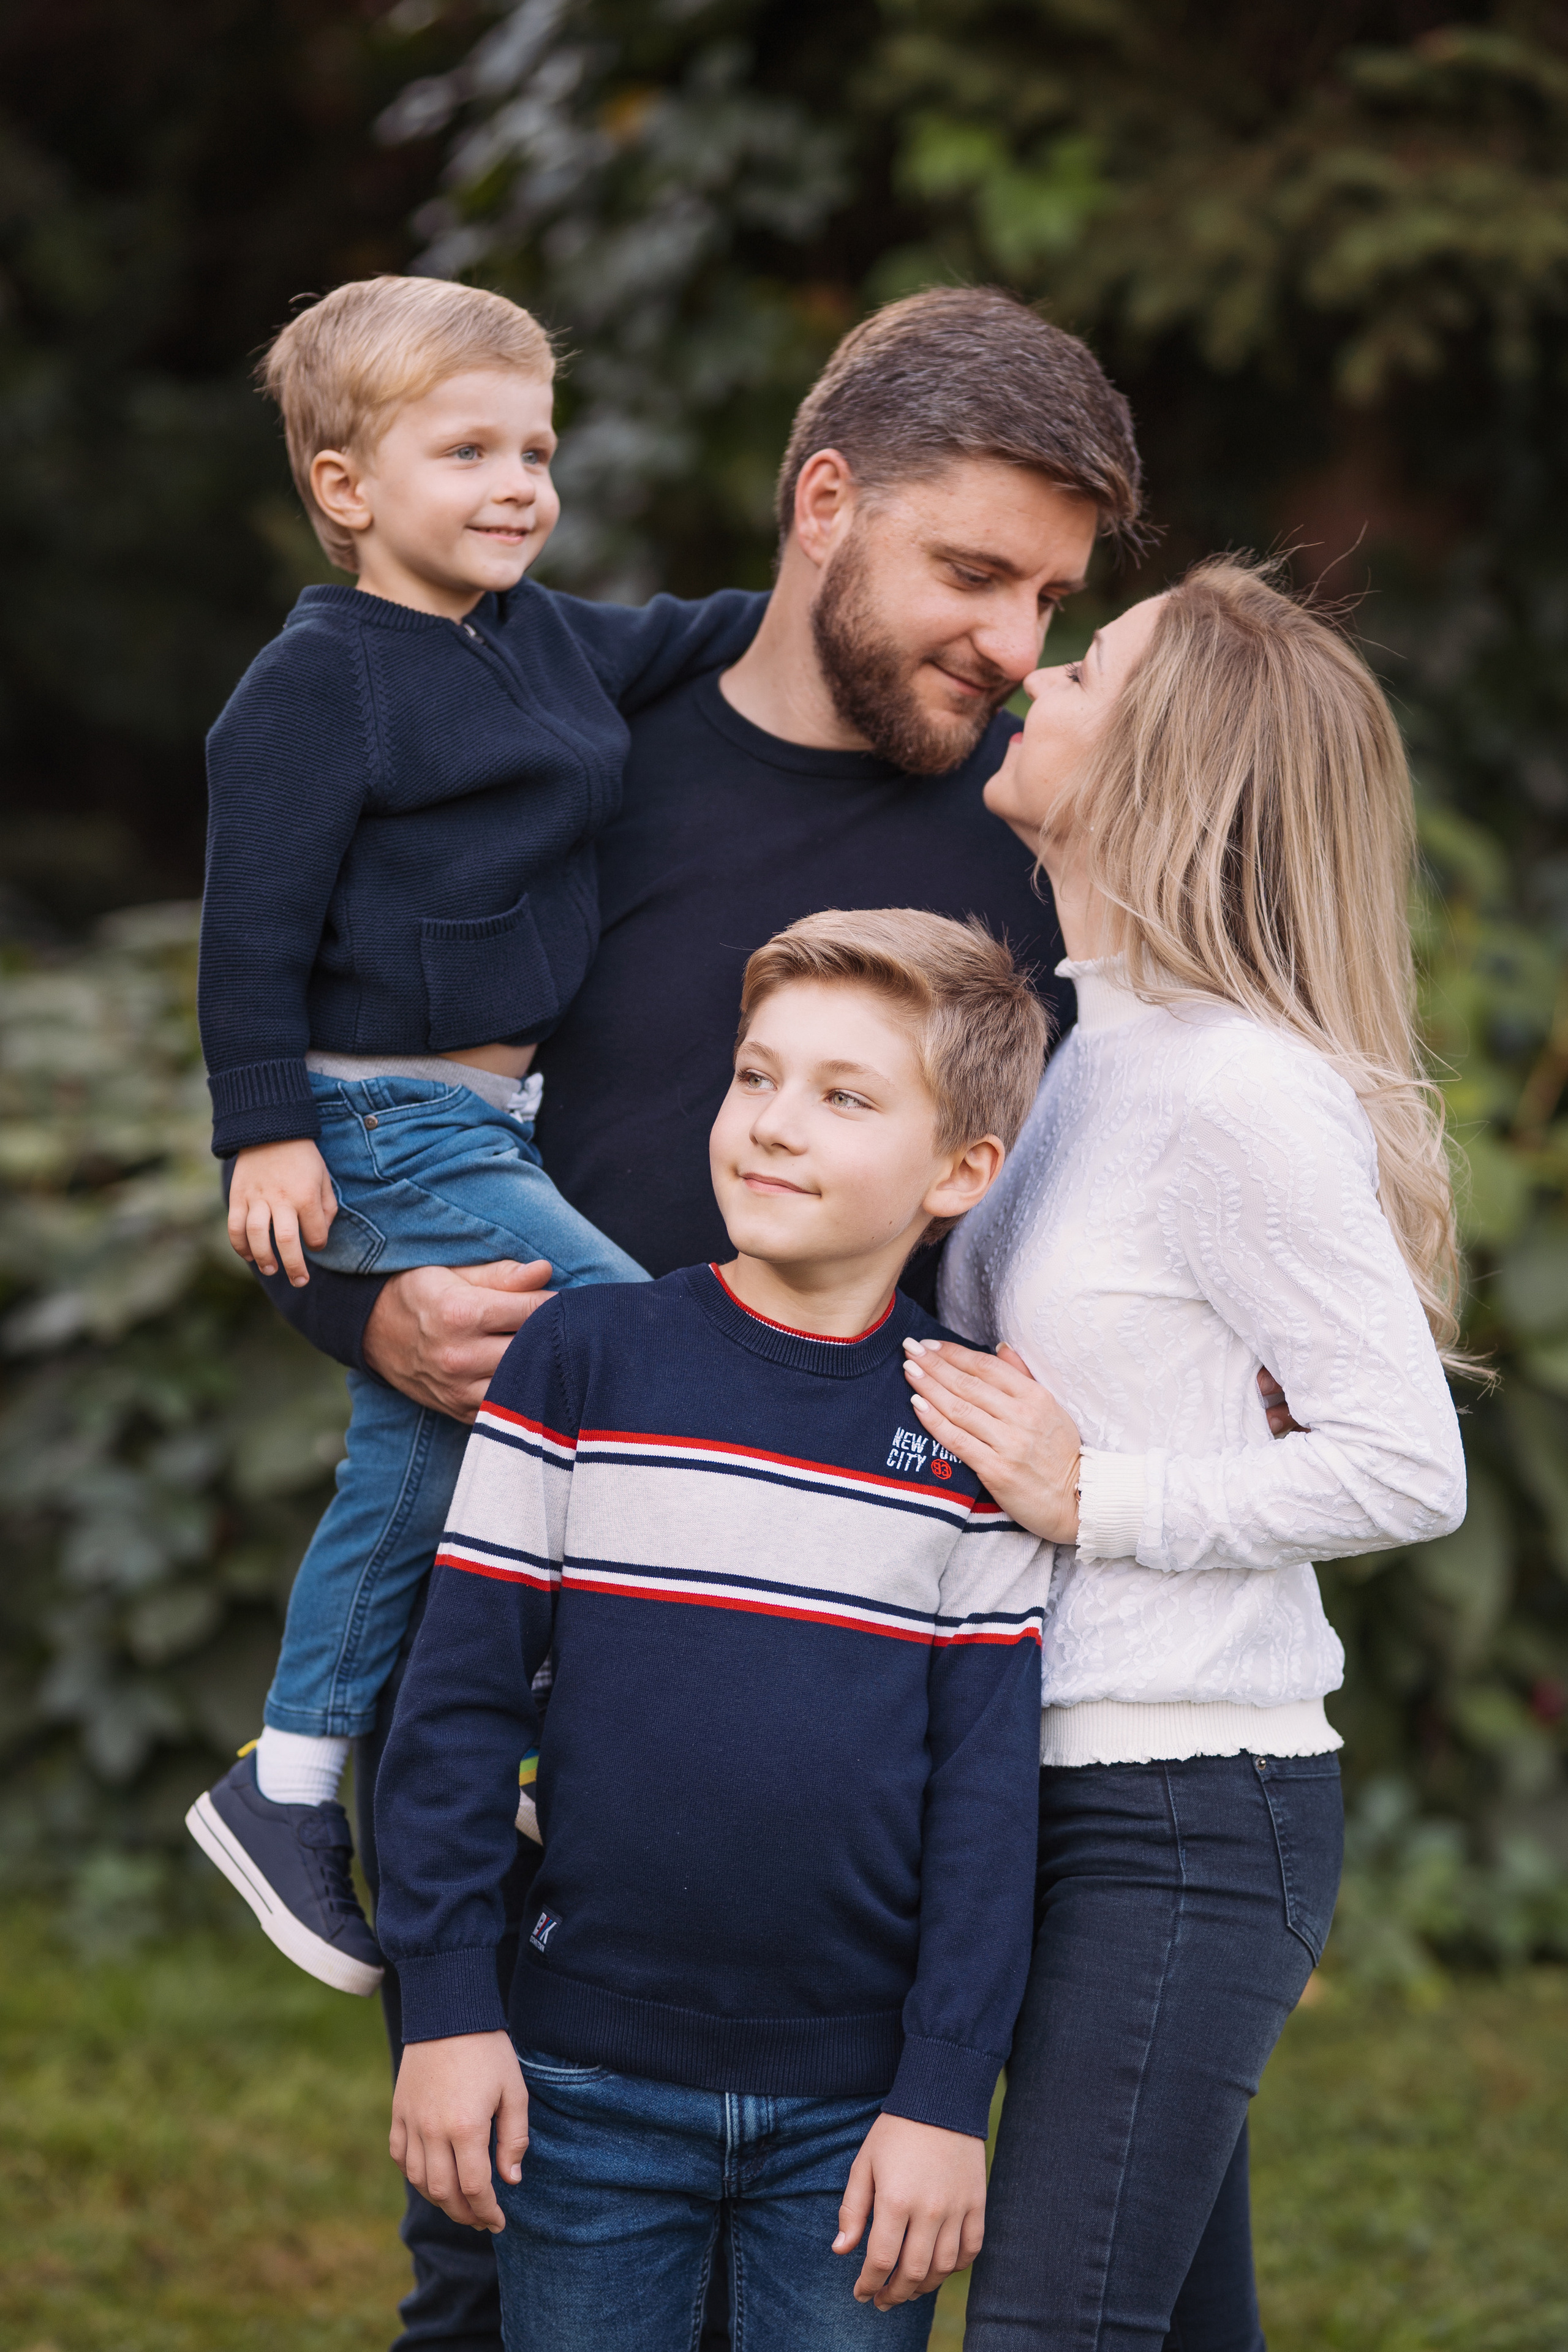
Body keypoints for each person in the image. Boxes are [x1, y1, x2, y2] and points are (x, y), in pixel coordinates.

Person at [248, 285, 1150, 2350]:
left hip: (836, 1696)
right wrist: (374, 1328)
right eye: (974, 576)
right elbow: (337, 1117)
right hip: (532, 1635)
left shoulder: (1025, 845)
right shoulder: (556, 740)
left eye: (1052, 600)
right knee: (495, 2281)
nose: (1015, 649)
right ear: (824, 504)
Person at [897, 557, 1469, 2349]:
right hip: (1048, 1778)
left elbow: (1405, 1462)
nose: (1037, 670)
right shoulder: (1088, 1056)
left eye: (1091, 663)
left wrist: (1101, 1496)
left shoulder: (1240, 1088)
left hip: (1182, 1808)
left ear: (1165, 762)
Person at [186, 274, 760, 1994]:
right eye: (470, 452)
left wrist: (860, 573)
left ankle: (289, 1785)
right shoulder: (318, 685)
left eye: (538, 449)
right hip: (390, 1123)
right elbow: (249, 931)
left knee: (416, 1463)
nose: (522, 485)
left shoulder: (543, 641)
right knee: (641, 1357)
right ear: (348, 486)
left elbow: (701, 629)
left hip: (485, 1114)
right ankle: (537, 1735)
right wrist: (264, 1133)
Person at [374, 911, 1052, 2351]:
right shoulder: (585, 1359)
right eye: (755, 1077)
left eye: (842, 1096)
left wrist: (943, 2093)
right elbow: (455, 1711)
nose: (772, 1127)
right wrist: (445, 2009)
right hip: (581, 2082)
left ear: (961, 1171)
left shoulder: (968, 1426)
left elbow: (986, 1801)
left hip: (854, 2120)